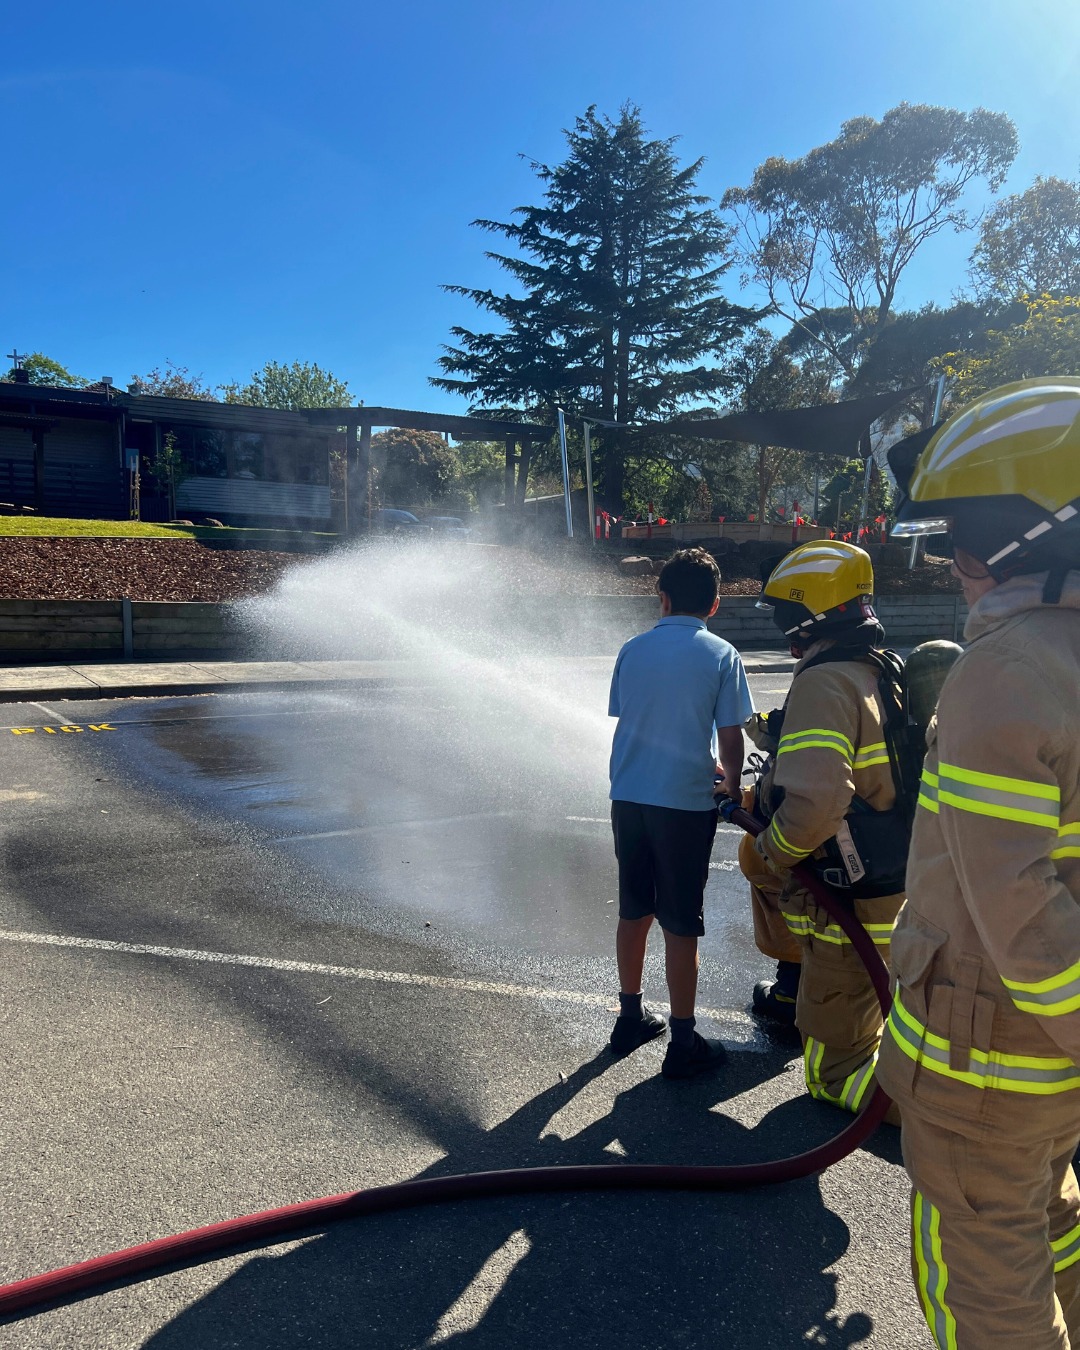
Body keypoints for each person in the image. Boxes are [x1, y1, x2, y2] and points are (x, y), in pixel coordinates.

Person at [876, 378, 1080, 1349]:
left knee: (983, 1290)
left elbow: (1019, 909)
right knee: (1053, 1227)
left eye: (957, 537)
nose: (949, 561)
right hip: (1048, 1082)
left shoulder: (1005, 670)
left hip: (986, 1067)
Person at [745, 540, 906, 1115]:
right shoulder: (876, 670)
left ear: (803, 613)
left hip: (850, 900)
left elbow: (814, 807)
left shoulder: (824, 682)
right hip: (892, 887)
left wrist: (772, 849)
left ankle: (956, 1124)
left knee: (832, 1074)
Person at [607, 547, 754, 1079]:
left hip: (629, 797)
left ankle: (629, 1015)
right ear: (715, 605)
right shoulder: (721, 654)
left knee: (633, 909)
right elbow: (731, 734)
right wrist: (732, 785)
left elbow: (632, 713)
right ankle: (684, 1040)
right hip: (685, 805)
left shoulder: (632, 649)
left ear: (661, 598)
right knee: (681, 922)